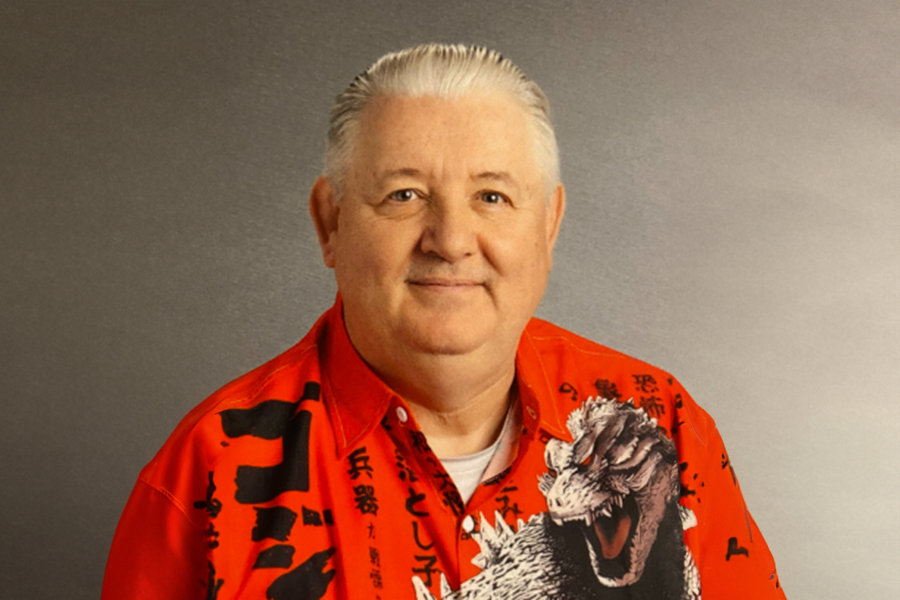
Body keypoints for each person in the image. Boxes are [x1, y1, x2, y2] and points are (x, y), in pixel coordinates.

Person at [102, 44, 785, 600]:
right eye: (405, 195)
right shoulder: (208, 475)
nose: (451, 239)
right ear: (330, 223)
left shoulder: (659, 426)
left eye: (492, 195)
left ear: (548, 226)